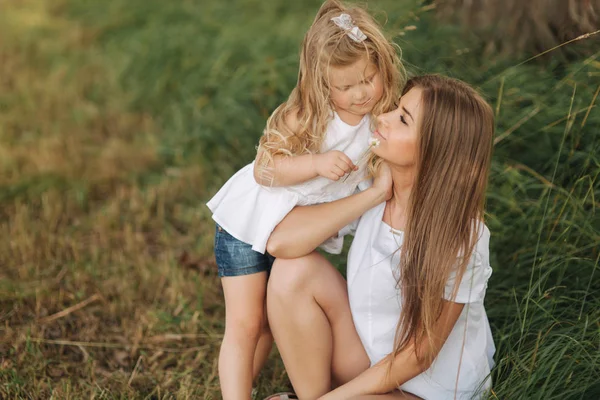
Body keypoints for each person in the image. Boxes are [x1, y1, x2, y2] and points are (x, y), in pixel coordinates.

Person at [205, 0, 405, 397]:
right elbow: (266, 169)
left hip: (293, 227)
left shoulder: (379, 117)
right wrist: (315, 163)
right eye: (345, 87)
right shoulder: (308, 115)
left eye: (368, 78)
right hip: (248, 224)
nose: (360, 93)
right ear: (321, 83)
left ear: (382, 65)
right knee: (245, 324)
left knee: (266, 323)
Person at [265, 75, 496, 400]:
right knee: (293, 272)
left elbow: (418, 355)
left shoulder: (461, 238)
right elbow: (280, 243)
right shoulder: (370, 189)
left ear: (435, 150)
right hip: (370, 360)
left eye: (402, 118)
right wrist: (374, 196)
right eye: (395, 107)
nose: (382, 117)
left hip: (429, 389)